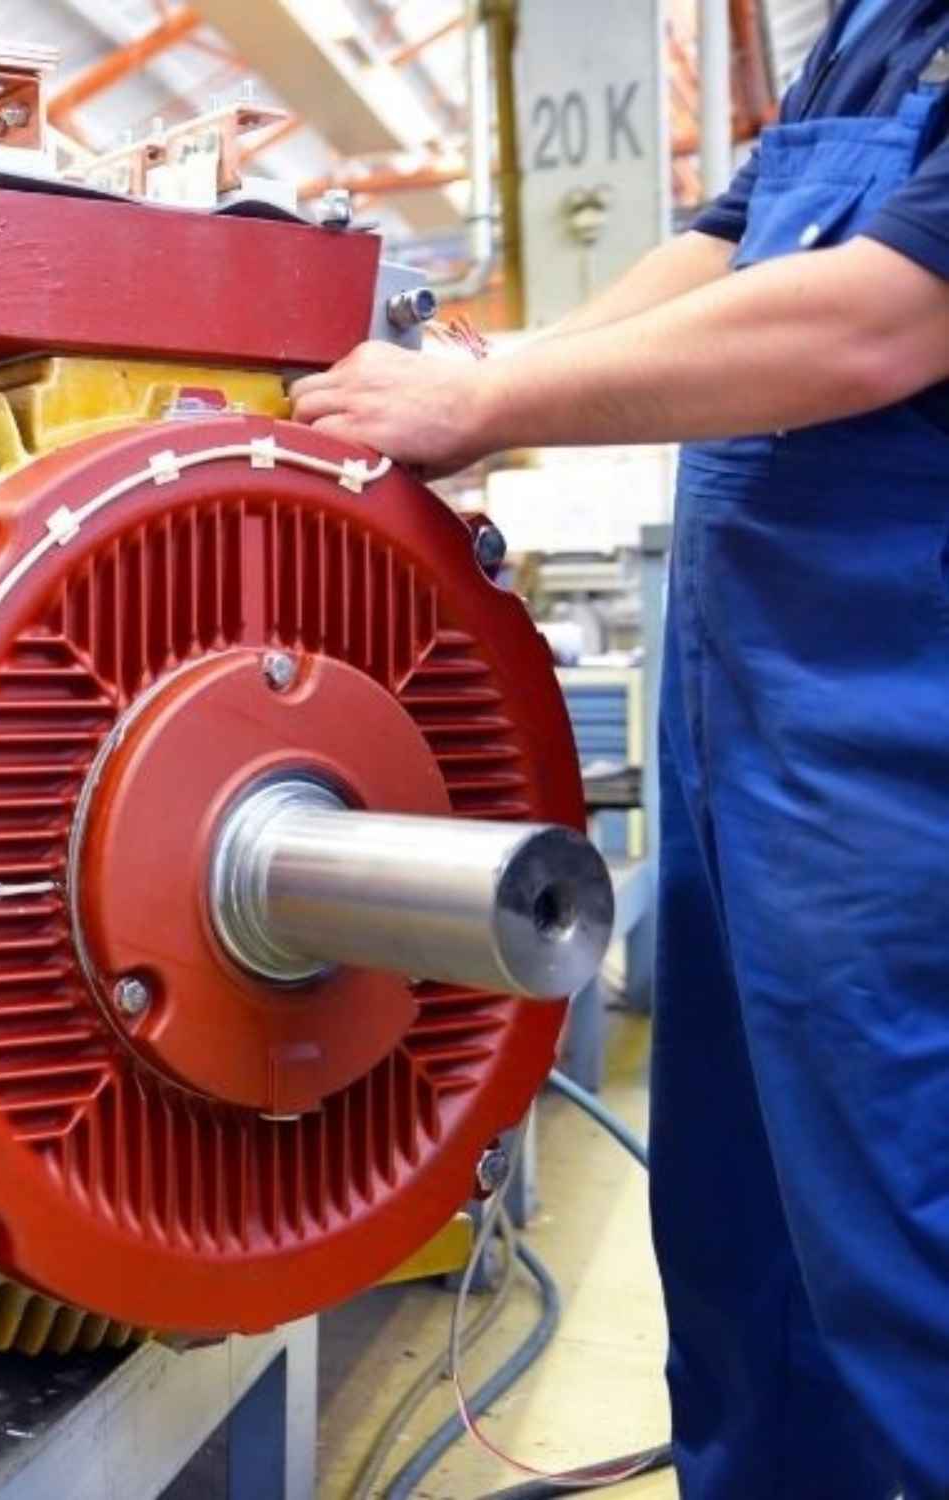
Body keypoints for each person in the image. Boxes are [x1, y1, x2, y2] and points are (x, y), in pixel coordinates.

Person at [289, 3, 949, 1493]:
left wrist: (489, 395)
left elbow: (884, 317)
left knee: (906, 1218)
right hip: (751, 720)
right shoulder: (870, 21)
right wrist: (478, 381)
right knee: (740, 1219)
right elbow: (719, 248)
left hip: (903, 741)